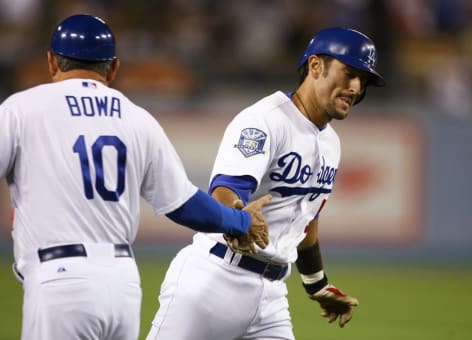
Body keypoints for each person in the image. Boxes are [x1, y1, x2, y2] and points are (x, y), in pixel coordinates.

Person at [0, 14, 272, 340]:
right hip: (122, 284)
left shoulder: (22, 109)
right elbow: (183, 204)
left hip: (59, 279)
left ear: (50, 62)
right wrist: (239, 221)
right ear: (113, 68)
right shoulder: (137, 118)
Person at [147, 27, 385, 339]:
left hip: (272, 296)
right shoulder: (265, 120)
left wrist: (317, 286)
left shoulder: (331, 143)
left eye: (362, 80)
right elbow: (224, 191)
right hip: (215, 280)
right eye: (349, 73)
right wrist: (238, 217)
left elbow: (305, 225)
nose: (355, 87)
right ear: (316, 66)